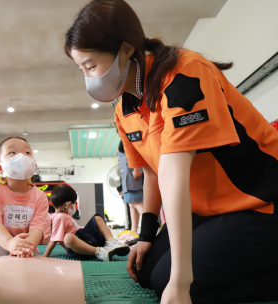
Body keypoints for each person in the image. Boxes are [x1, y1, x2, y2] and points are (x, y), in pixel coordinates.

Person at [65, 1, 278, 303]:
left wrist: (180, 280)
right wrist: (146, 236)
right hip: (211, 210)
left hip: (261, 202)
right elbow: (152, 172)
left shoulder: (184, 74)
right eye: (82, 69)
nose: (88, 77)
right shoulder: (124, 109)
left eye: (91, 66)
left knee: (174, 281)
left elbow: (172, 172)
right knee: (145, 269)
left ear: (126, 50)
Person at [0, 137, 48, 264]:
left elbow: (37, 228)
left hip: (25, 240)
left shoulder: (40, 196)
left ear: (34, 166)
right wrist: (9, 242)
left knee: (31, 261)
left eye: (27, 153)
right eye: (12, 152)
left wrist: (27, 247)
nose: (21, 157)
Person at [42, 184, 129, 261]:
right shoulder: (60, 217)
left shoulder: (64, 215)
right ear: (68, 205)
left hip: (85, 238)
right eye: (73, 203)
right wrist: (46, 255)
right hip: (79, 248)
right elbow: (54, 240)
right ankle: (99, 252)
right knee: (68, 238)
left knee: (97, 218)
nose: (74, 206)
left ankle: (111, 242)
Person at [118, 142, 143, 233]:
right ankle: (134, 230)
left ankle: (148, 228)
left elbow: (135, 154)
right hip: (127, 179)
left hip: (132, 177)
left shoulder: (128, 139)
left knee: (137, 203)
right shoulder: (122, 143)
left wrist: (137, 170)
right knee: (132, 205)